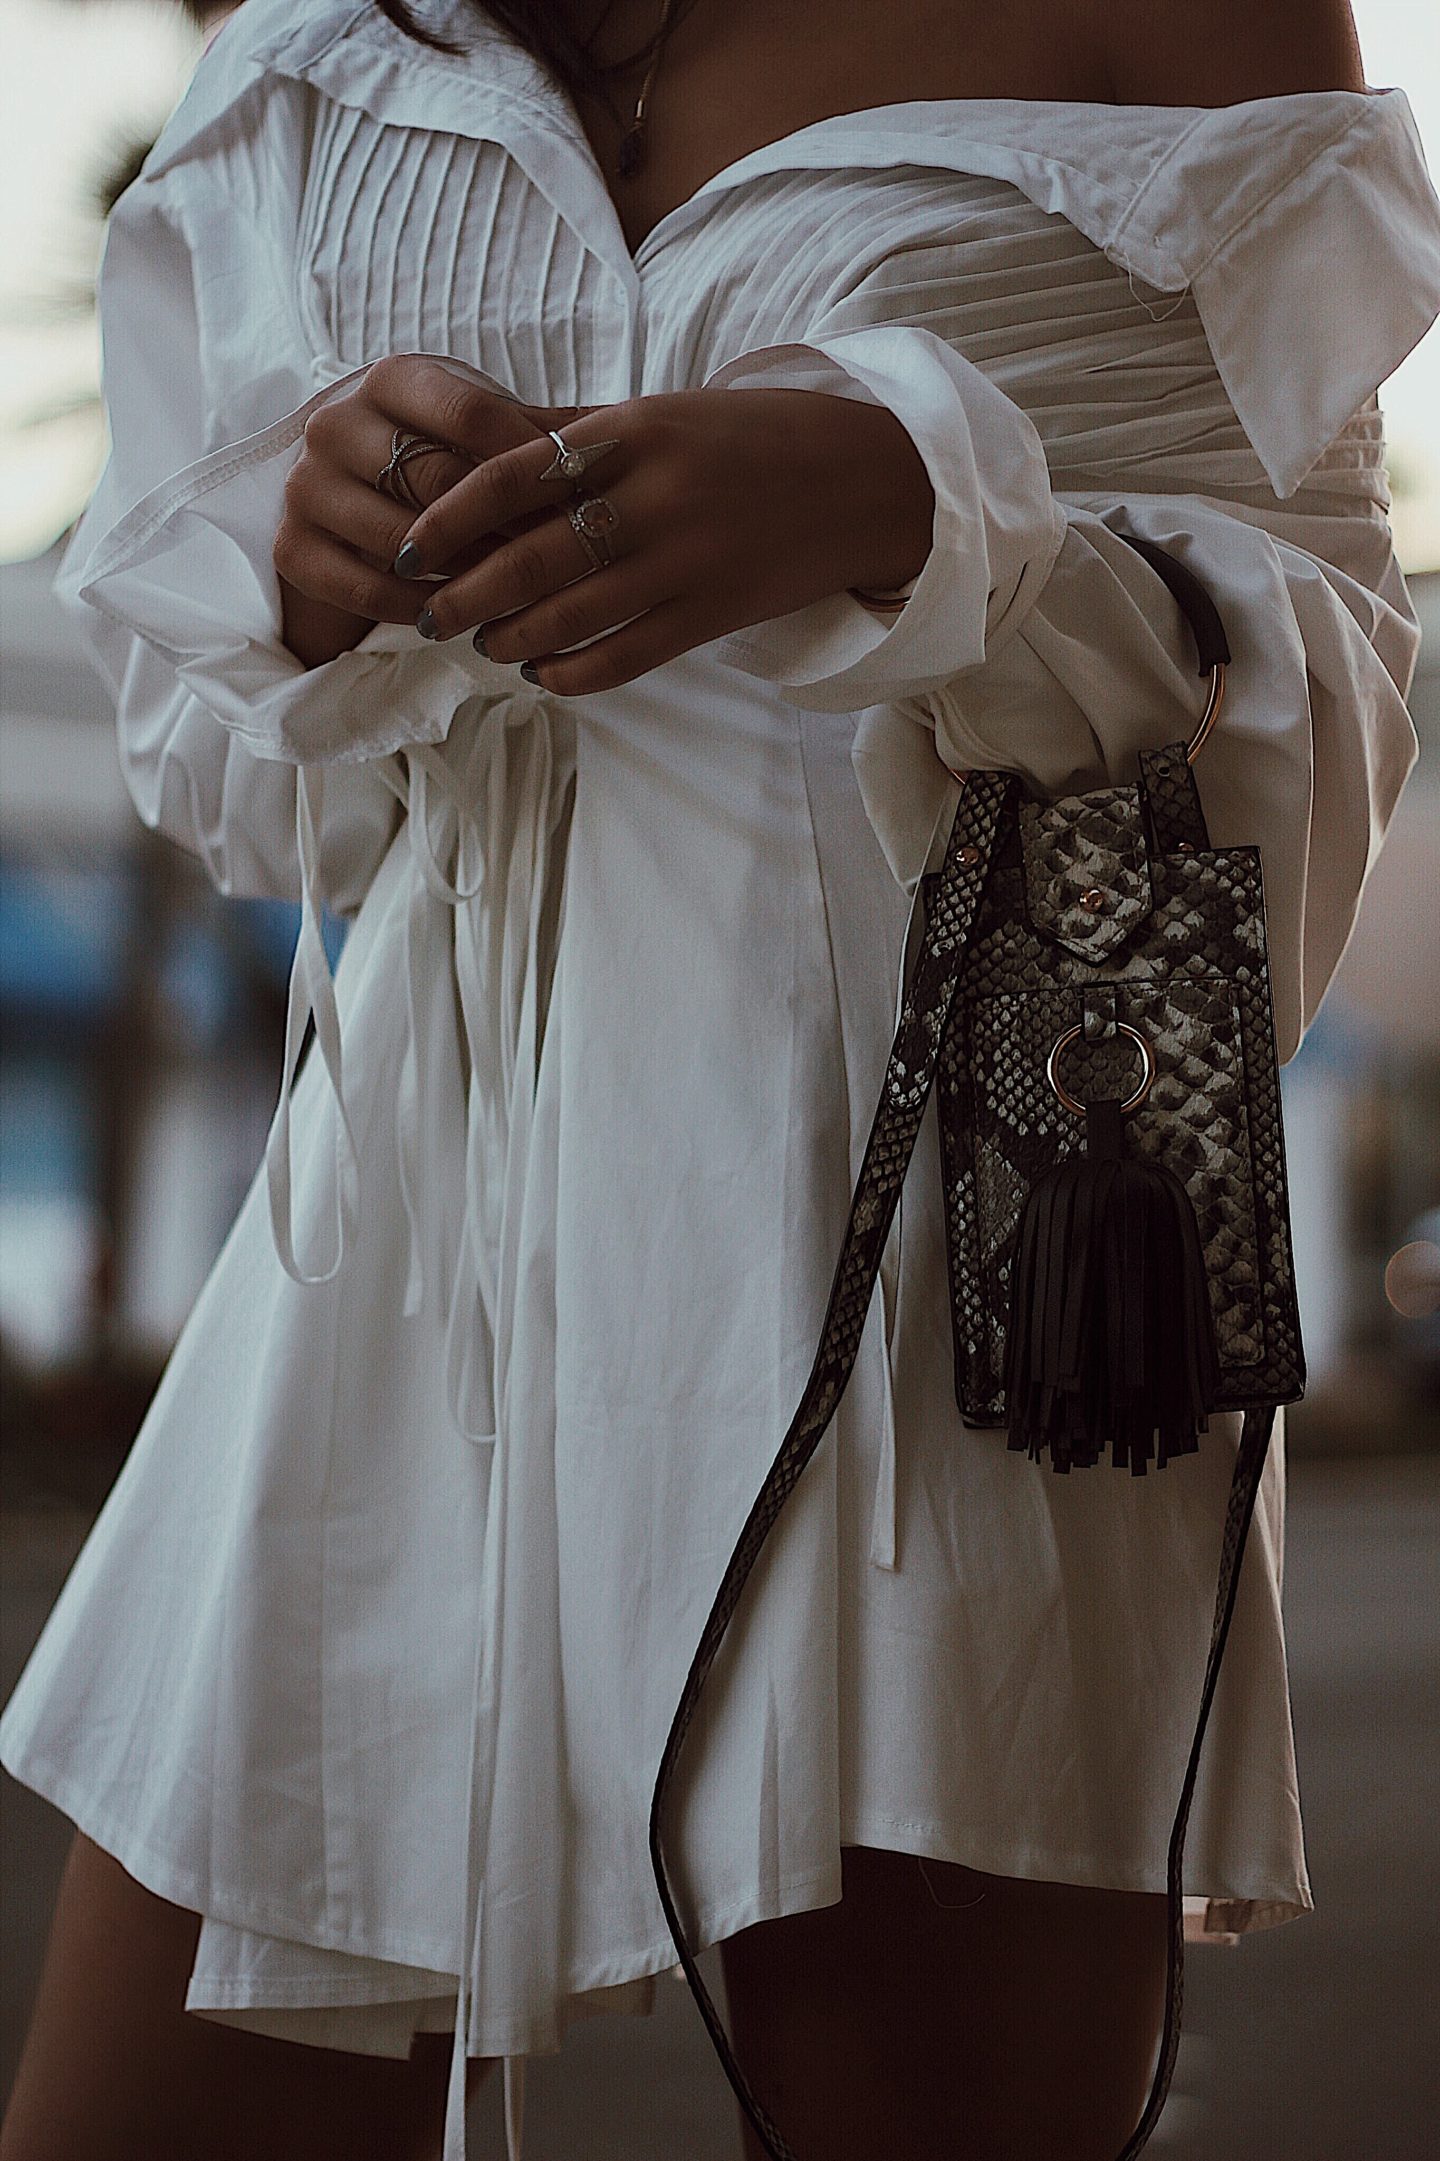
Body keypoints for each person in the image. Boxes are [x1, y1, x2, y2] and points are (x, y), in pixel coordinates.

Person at [2, 2, 1437, 2158]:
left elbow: (1320, 653)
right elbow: (216, 765)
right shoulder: (317, 47)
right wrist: (293, 583)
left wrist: (915, 513)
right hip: (414, 1233)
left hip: (954, 1224)